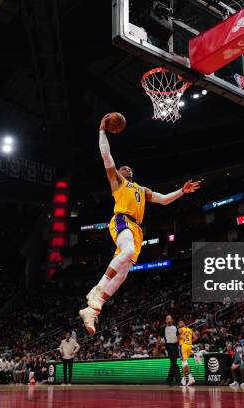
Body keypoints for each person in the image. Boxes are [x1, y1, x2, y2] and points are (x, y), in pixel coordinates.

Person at [79, 113, 201, 334]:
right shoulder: (118, 182)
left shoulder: (141, 190)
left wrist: (182, 191)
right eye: (124, 168)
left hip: (136, 229)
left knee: (124, 273)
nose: (128, 169)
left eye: (129, 169)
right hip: (121, 219)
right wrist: (101, 131)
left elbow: (163, 200)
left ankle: (92, 312)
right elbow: (106, 157)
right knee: (127, 251)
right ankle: (97, 289)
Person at [160, 315, 180, 386]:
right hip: (169, 345)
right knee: (174, 362)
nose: (168, 320)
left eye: (170, 318)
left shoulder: (175, 327)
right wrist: (156, 348)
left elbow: (178, 336)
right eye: (167, 319)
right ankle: (178, 379)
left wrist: (178, 342)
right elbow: (159, 338)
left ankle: (169, 380)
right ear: (165, 320)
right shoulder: (163, 328)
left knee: (173, 362)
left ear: (172, 320)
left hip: (175, 346)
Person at [178, 320, 197, 386]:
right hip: (189, 346)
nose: (179, 324)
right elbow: (196, 338)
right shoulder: (190, 330)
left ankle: (190, 377)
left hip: (183, 346)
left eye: (180, 323)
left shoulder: (181, 329)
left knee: (184, 363)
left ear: (182, 324)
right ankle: (183, 380)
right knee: (184, 363)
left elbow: (176, 335)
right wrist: (190, 342)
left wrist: (180, 338)